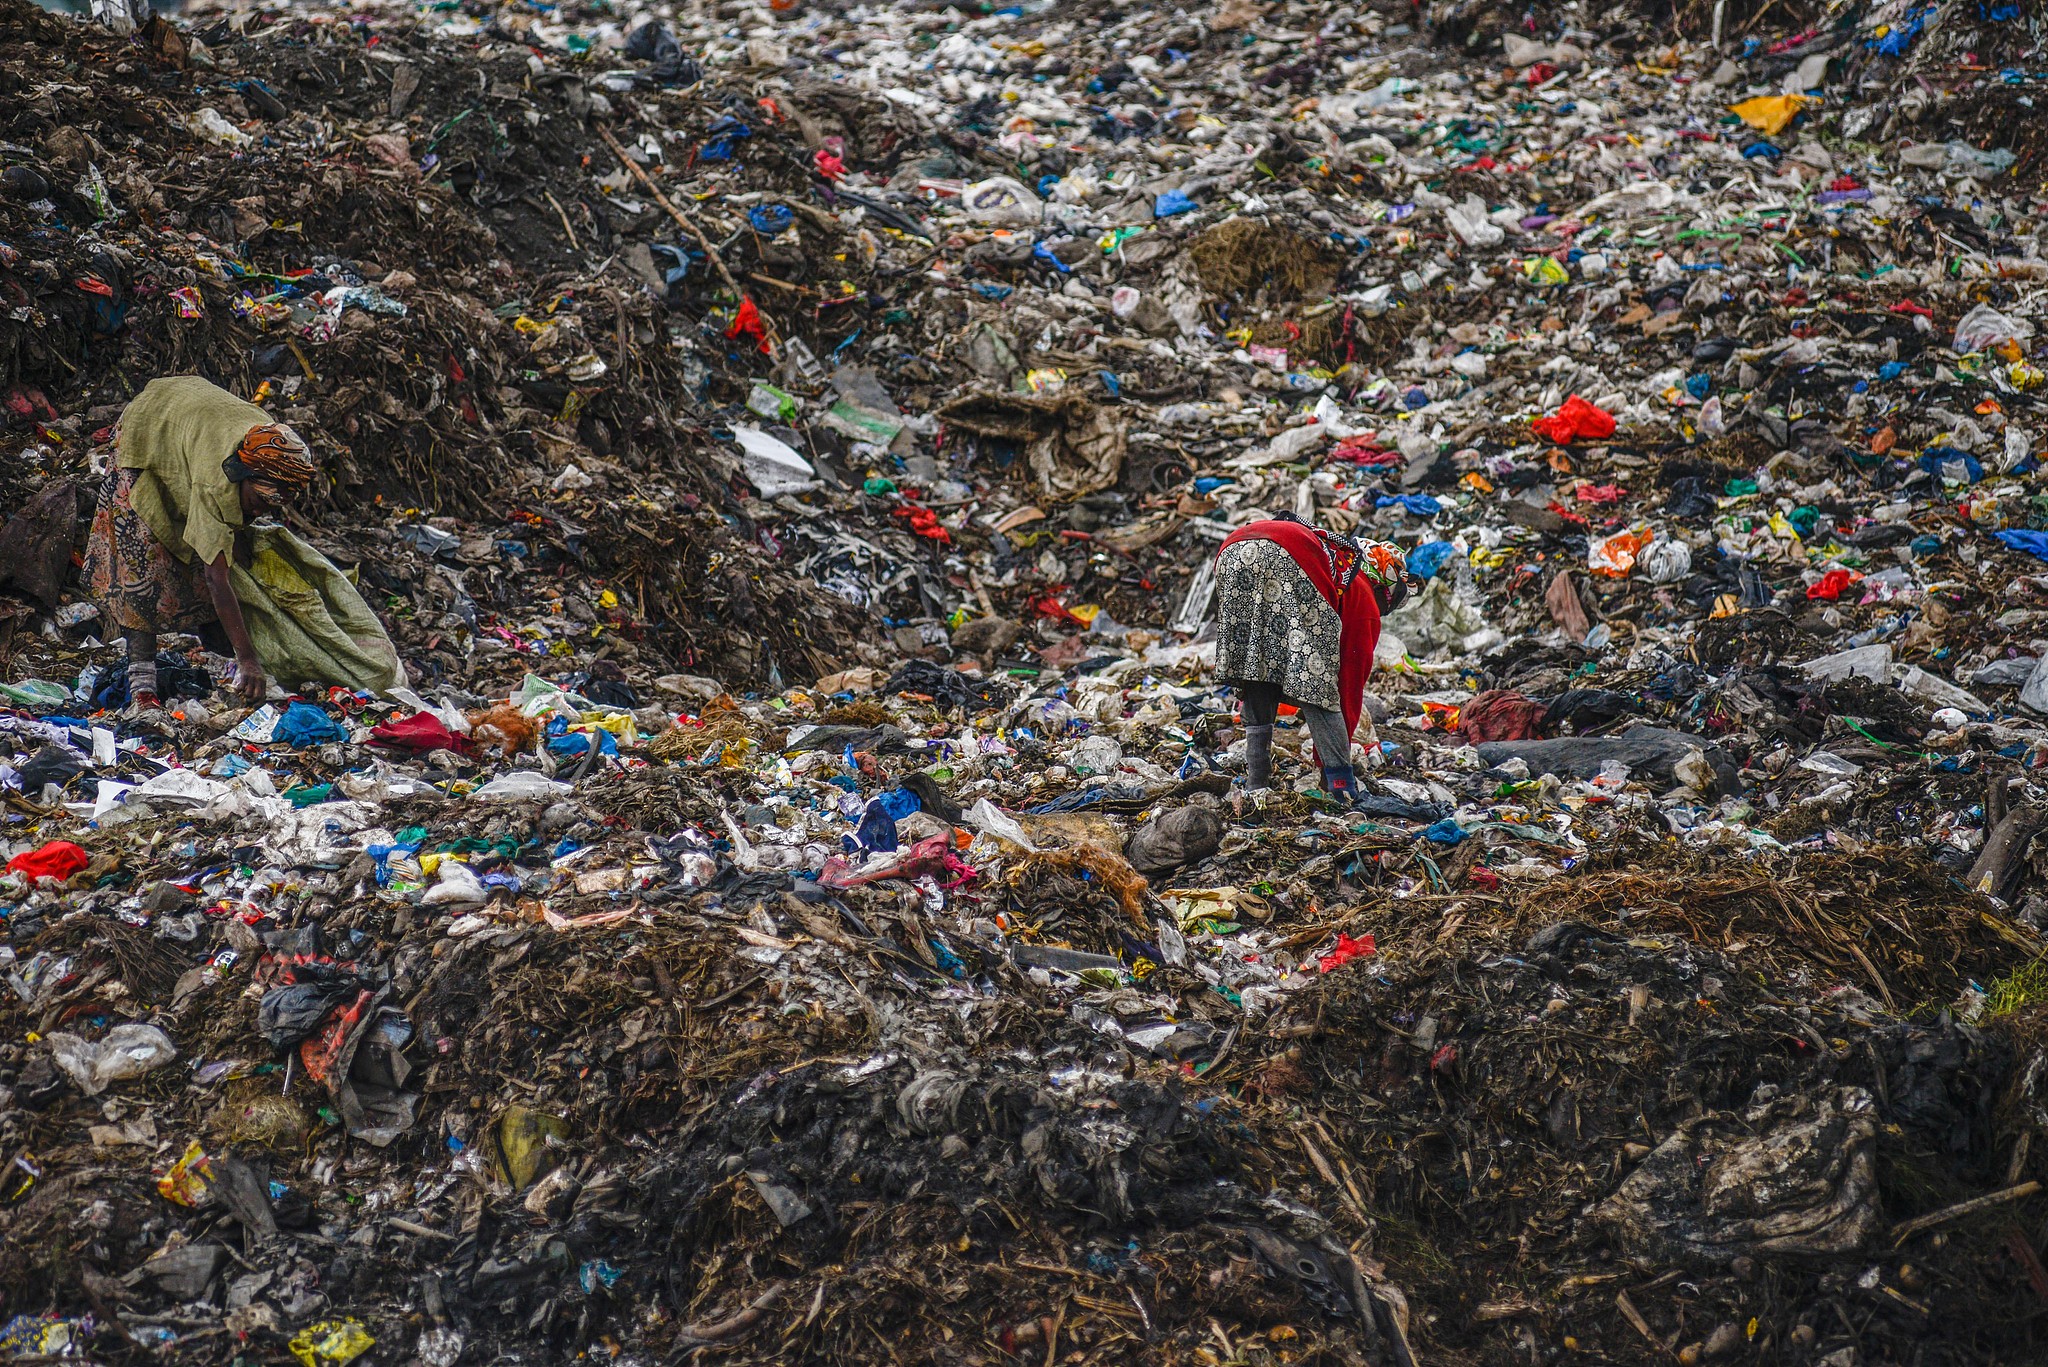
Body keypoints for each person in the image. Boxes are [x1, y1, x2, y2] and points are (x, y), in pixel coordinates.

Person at [83, 376, 405, 709]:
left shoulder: (272, 446)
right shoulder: (216, 485)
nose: (260, 512)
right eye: (259, 501)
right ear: (244, 476)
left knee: (217, 551)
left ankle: (220, 661)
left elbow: (231, 533)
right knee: (143, 558)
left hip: (191, 422)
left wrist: (237, 532)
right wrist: (249, 658)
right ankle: (142, 683)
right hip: (148, 427)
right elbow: (215, 579)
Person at [1212, 514, 1411, 802]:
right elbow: (1347, 689)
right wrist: (1329, 764)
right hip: (1288, 555)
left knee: (1256, 667)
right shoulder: (1364, 595)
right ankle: (1340, 788)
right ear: (1384, 589)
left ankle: (1257, 783)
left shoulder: (1339, 570)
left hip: (1232, 551)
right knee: (1315, 679)